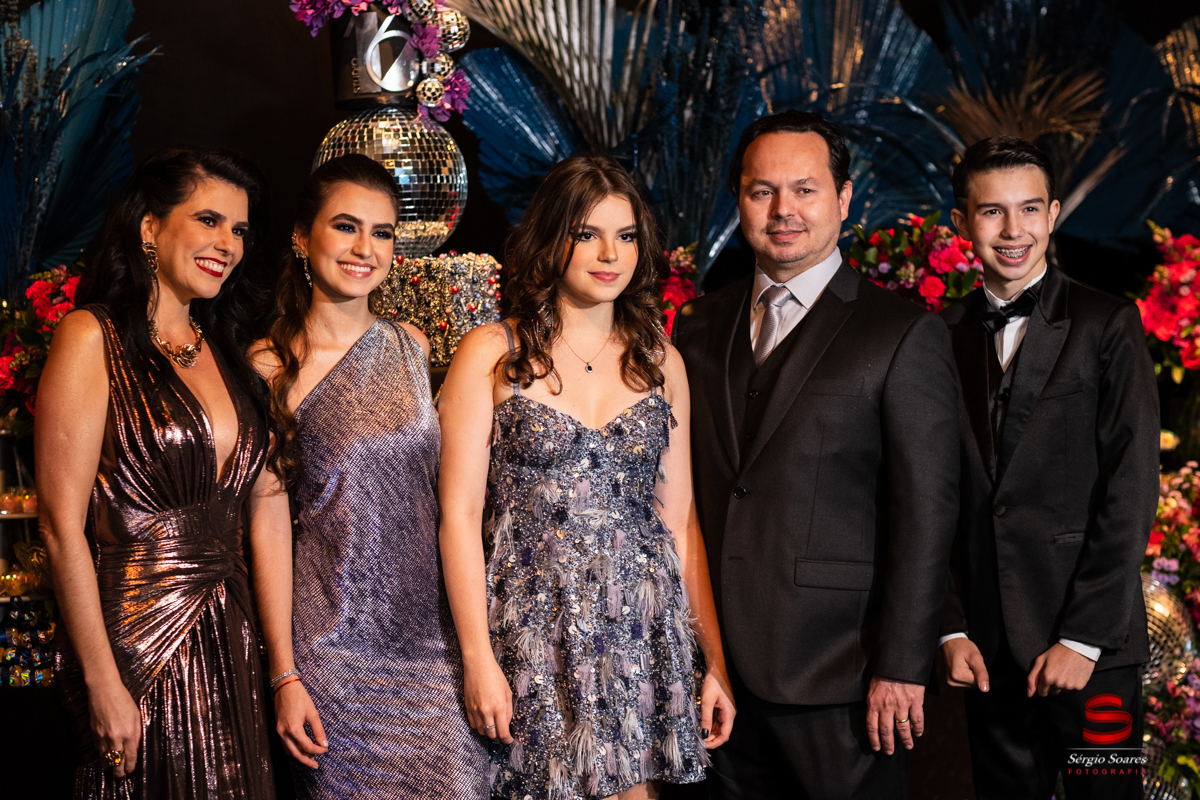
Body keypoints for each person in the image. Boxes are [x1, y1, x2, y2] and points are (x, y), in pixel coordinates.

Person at [672, 110, 961, 798]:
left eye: (804, 189)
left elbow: (926, 514)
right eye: (762, 190)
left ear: (844, 198)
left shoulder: (901, 333)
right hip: (712, 674)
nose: (783, 210)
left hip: (843, 676)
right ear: (739, 199)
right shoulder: (698, 323)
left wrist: (902, 665)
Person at [438, 155, 736, 800]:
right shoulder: (492, 352)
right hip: (532, 625)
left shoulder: (662, 361)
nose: (610, 254)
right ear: (553, 238)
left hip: (640, 627)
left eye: (625, 236)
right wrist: (476, 657)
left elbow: (680, 522)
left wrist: (714, 662)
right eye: (587, 234)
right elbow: (457, 517)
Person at [247, 154, 489, 798]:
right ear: (302, 238)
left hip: (435, 643)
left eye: (382, 232)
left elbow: (451, 499)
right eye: (346, 226)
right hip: (333, 654)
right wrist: (284, 674)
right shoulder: (270, 365)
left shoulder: (414, 346)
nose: (365, 249)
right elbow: (268, 524)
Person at [37, 146, 275, 796]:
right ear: (149, 227)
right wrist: (102, 681)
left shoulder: (227, 354)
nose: (227, 243)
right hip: (138, 648)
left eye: (239, 229)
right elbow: (60, 526)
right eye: (208, 220)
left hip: (232, 636)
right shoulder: (92, 337)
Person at [938, 136, 1159, 800]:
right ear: (962, 221)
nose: (1014, 230)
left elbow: (1131, 487)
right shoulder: (939, 335)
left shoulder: (1107, 323)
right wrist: (950, 625)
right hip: (987, 652)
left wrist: (1082, 639)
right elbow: (931, 495)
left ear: (1054, 213)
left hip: (1093, 650)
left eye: (1030, 209)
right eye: (992, 211)